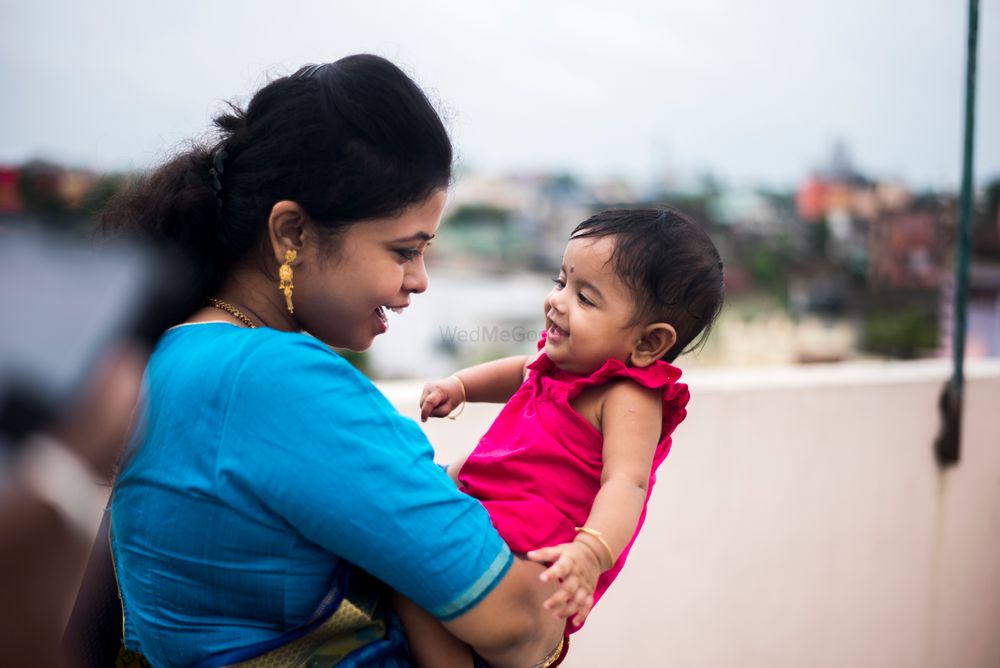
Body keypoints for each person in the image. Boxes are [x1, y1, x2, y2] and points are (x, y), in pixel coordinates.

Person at [100, 55, 564, 668]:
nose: (419, 281)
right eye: (404, 250)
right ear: (291, 232)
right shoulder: (274, 378)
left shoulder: (171, 356)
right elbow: (513, 624)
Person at [412, 207, 725, 666]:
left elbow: (627, 483)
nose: (557, 301)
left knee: (413, 570)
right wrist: (460, 386)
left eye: (586, 299)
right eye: (562, 282)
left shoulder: (627, 396)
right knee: (411, 588)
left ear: (648, 344)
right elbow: (518, 371)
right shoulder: (558, 364)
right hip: (494, 537)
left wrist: (590, 552)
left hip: (533, 566)